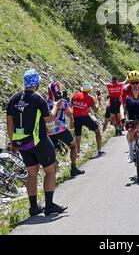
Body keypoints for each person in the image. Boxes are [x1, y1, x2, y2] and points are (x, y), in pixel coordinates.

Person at [6, 69, 67, 216]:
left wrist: (13, 142)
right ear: (37, 83)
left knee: (32, 173)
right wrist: (56, 107)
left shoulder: (13, 99)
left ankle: (33, 208)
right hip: (39, 141)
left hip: (22, 143)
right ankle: (49, 205)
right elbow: (49, 119)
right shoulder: (37, 98)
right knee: (50, 170)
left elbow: (9, 124)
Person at [47, 81, 84, 177]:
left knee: (53, 152)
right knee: (73, 145)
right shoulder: (63, 102)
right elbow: (69, 114)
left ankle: (52, 177)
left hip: (49, 132)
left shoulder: (45, 102)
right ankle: (73, 168)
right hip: (61, 129)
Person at [120, 71, 139, 162]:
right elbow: (122, 105)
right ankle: (130, 151)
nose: (135, 85)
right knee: (130, 130)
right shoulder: (125, 89)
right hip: (130, 108)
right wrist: (122, 117)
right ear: (129, 82)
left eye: (137, 82)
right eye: (132, 83)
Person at [70, 83, 104, 157]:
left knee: (77, 136)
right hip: (85, 117)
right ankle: (99, 150)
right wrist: (98, 101)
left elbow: (70, 106)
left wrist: (71, 119)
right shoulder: (90, 98)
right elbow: (95, 110)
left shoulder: (74, 95)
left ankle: (78, 154)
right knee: (97, 131)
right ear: (89, 90)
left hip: (76, 118)